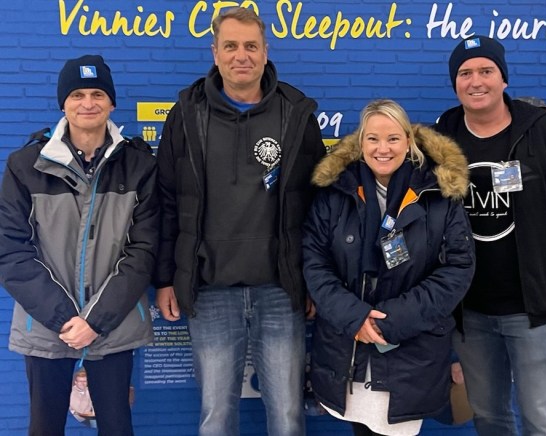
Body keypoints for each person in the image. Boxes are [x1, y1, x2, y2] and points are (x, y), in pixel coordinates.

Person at [153, 7, 325, 436]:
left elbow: (319, 205)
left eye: (251, 46)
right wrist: (165, 278)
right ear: (215, 52)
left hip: (280, 289)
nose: (241, 56)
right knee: (216, 417)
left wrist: (316, 282)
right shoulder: (186, 114)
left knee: (287, 417)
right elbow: (168, 200)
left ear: (266, 52)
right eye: (230, 46)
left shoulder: (296, 113)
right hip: (210, 289)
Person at [433, 36, 546, 435]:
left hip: (534, 309)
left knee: (541, 421)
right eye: (465, 73)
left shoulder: (544, 131)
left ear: (503, 79)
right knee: (489, 417)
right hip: (470, 311)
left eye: (485, 70)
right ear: (455, 83)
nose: (476, 81)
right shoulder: (442, 138)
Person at [0, 54, 159, 435]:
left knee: (117, 428)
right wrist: (64, 318)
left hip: (113, 326)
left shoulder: (140, 165)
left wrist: (95, 321)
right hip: (46, 326)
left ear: (111, 103)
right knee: (44, 428)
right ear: (63, 103)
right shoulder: (26, 165)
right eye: (78, 94)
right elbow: (10, 250)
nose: (88, 103)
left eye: (97, 94)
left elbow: (144, 250)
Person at [302, 99, 475, 435]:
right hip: (347, 356)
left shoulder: (438, 196)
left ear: (408, 142)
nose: (383, 148)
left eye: (393, 138)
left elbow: (457, 269)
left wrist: (389, 322)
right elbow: (314, 262)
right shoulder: (335, 192)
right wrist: (355, 317)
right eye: (373, 139)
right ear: (360, 142)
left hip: (408, 359)